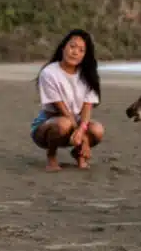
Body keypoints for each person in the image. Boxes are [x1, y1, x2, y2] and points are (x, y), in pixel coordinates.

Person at [31, 29, 105, 171]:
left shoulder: (87, 76)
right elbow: (63, 111)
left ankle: (79, 155)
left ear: (85, 55)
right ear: (63, 47)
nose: (75, 52)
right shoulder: (49, 73)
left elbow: (86, 109)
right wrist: (83, 139)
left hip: (75, 124)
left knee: (98, 129)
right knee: (63, 123)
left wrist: (82, 131)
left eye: (81, 50)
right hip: (48, 126)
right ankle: (51, 156)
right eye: (72, 46)